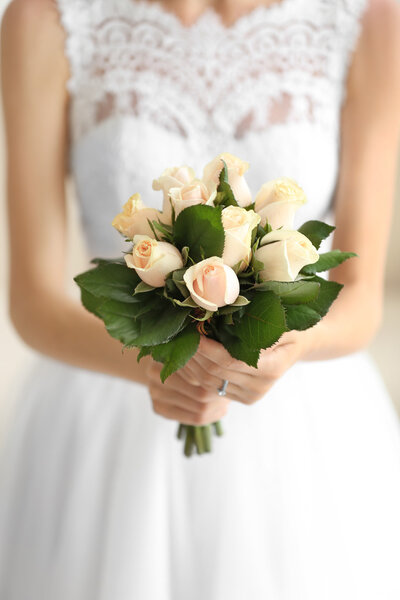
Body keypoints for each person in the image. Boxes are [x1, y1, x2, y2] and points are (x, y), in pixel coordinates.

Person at [1, 0, 400, 598]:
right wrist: (155, 365)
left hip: (303, 426)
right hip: (104, 413)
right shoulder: (44, 20)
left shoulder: (371, 20)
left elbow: (361, 295)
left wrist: (285, 348)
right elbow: (32, 301)